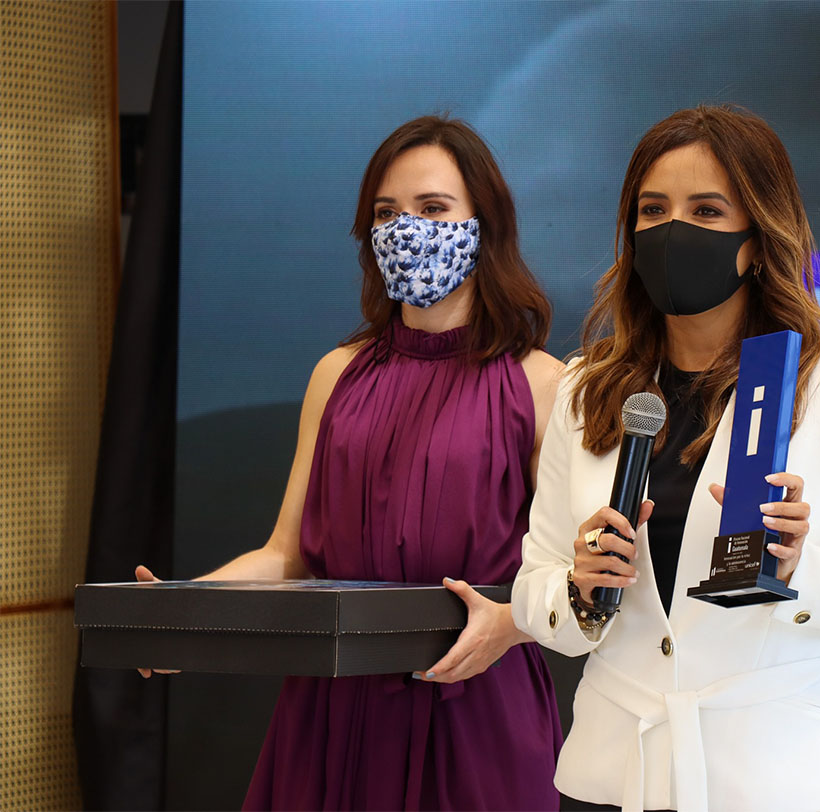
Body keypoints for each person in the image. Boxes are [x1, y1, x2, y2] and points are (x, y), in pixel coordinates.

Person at [512, 105, 820, 812]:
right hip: (611, 774)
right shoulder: (587, 387)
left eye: (706, 211)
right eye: (653, 210)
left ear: (759, 238)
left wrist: (801, 567)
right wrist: (579, 589)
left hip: (776, 778)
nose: (673, 231)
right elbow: (536, 586)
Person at [137, 115, 566, 810]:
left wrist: (511, 623)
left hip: (475, 704)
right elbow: (286, 556)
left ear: (484, 224)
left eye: (433, 208)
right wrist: (186, 611)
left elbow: (575, 580)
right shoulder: (335, 374)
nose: (406, 229)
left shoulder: (542, 383)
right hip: (332, 703)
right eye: (386, 213)